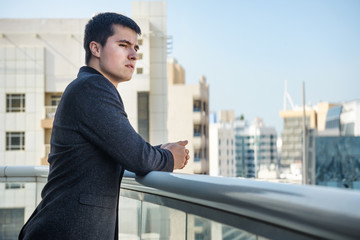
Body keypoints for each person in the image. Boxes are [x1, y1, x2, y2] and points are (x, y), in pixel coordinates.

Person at [18, 12, 189, 240]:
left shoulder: (92, 88)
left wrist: (160, 150)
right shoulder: (92, 89)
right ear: (96, 49)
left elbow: (118, 154)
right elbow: (137, 157)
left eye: (136, 48)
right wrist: (170, 158)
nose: (133, 55)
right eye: (123, 45)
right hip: (65, 231)